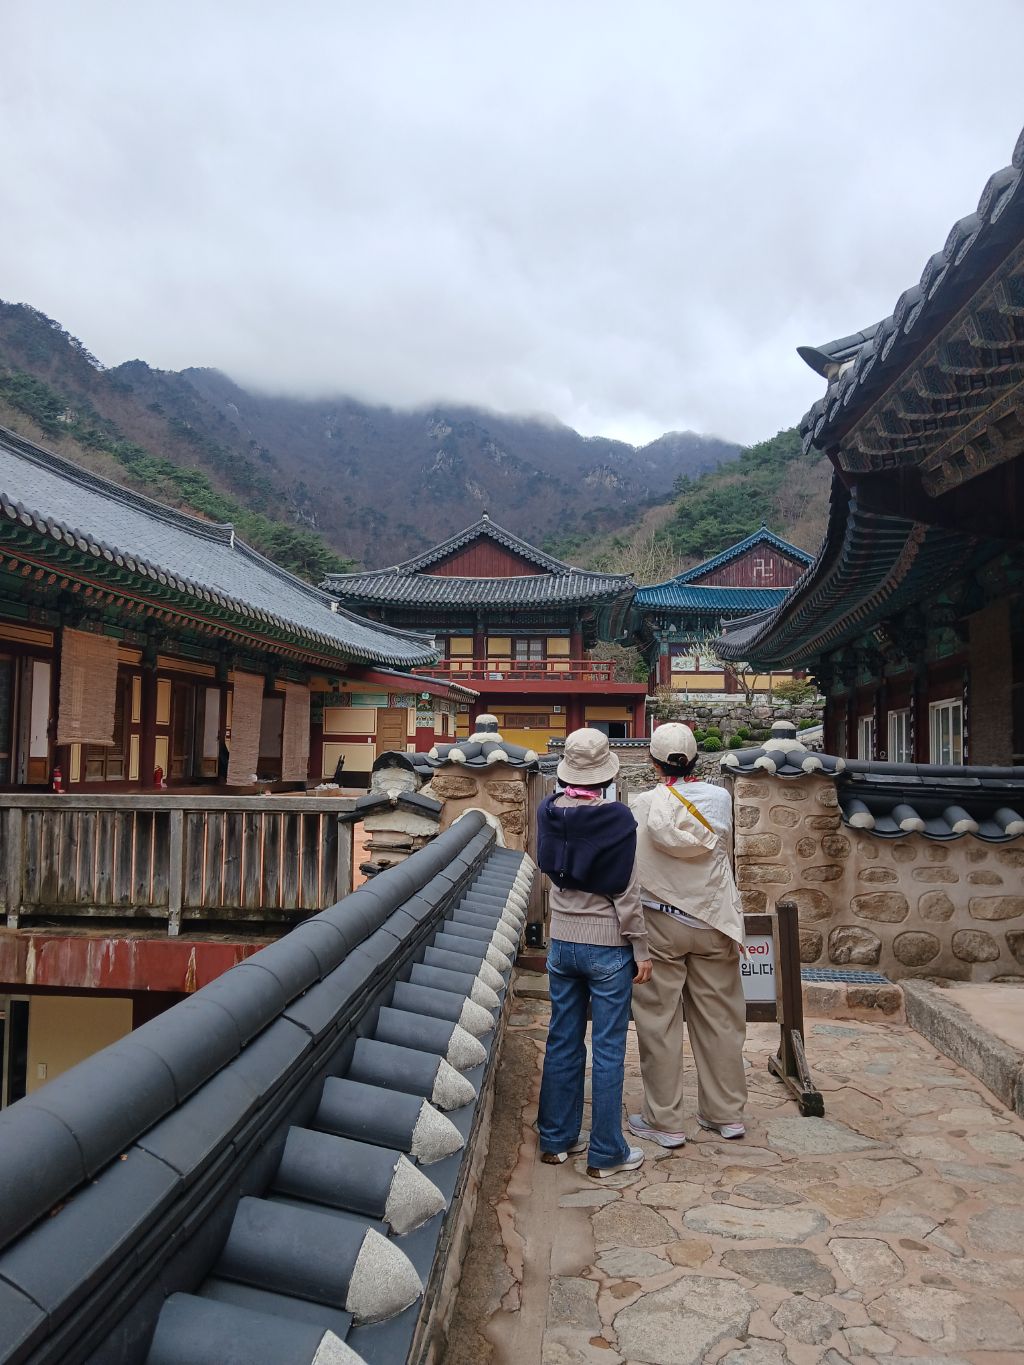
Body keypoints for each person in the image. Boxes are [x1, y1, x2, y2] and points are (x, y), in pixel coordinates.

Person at [535, 728, 652, 1178]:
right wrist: (641, 948)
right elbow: (626, 891)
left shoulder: (549, 811)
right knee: (607, 1048)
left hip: (563, 942)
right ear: (607, 773)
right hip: (608, 946)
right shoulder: (617, 820)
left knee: (562, 1038)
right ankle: (606, 1152)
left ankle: (556, 1139)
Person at [627, 722, 747, 1146]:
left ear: (653, 761)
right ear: (695, 758)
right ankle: (726, 1114)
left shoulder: (642, 804)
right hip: (712, 919)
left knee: (658, 1021)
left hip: (661, 920)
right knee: (720, 1019)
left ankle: (665, 1121)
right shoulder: (720, 798)